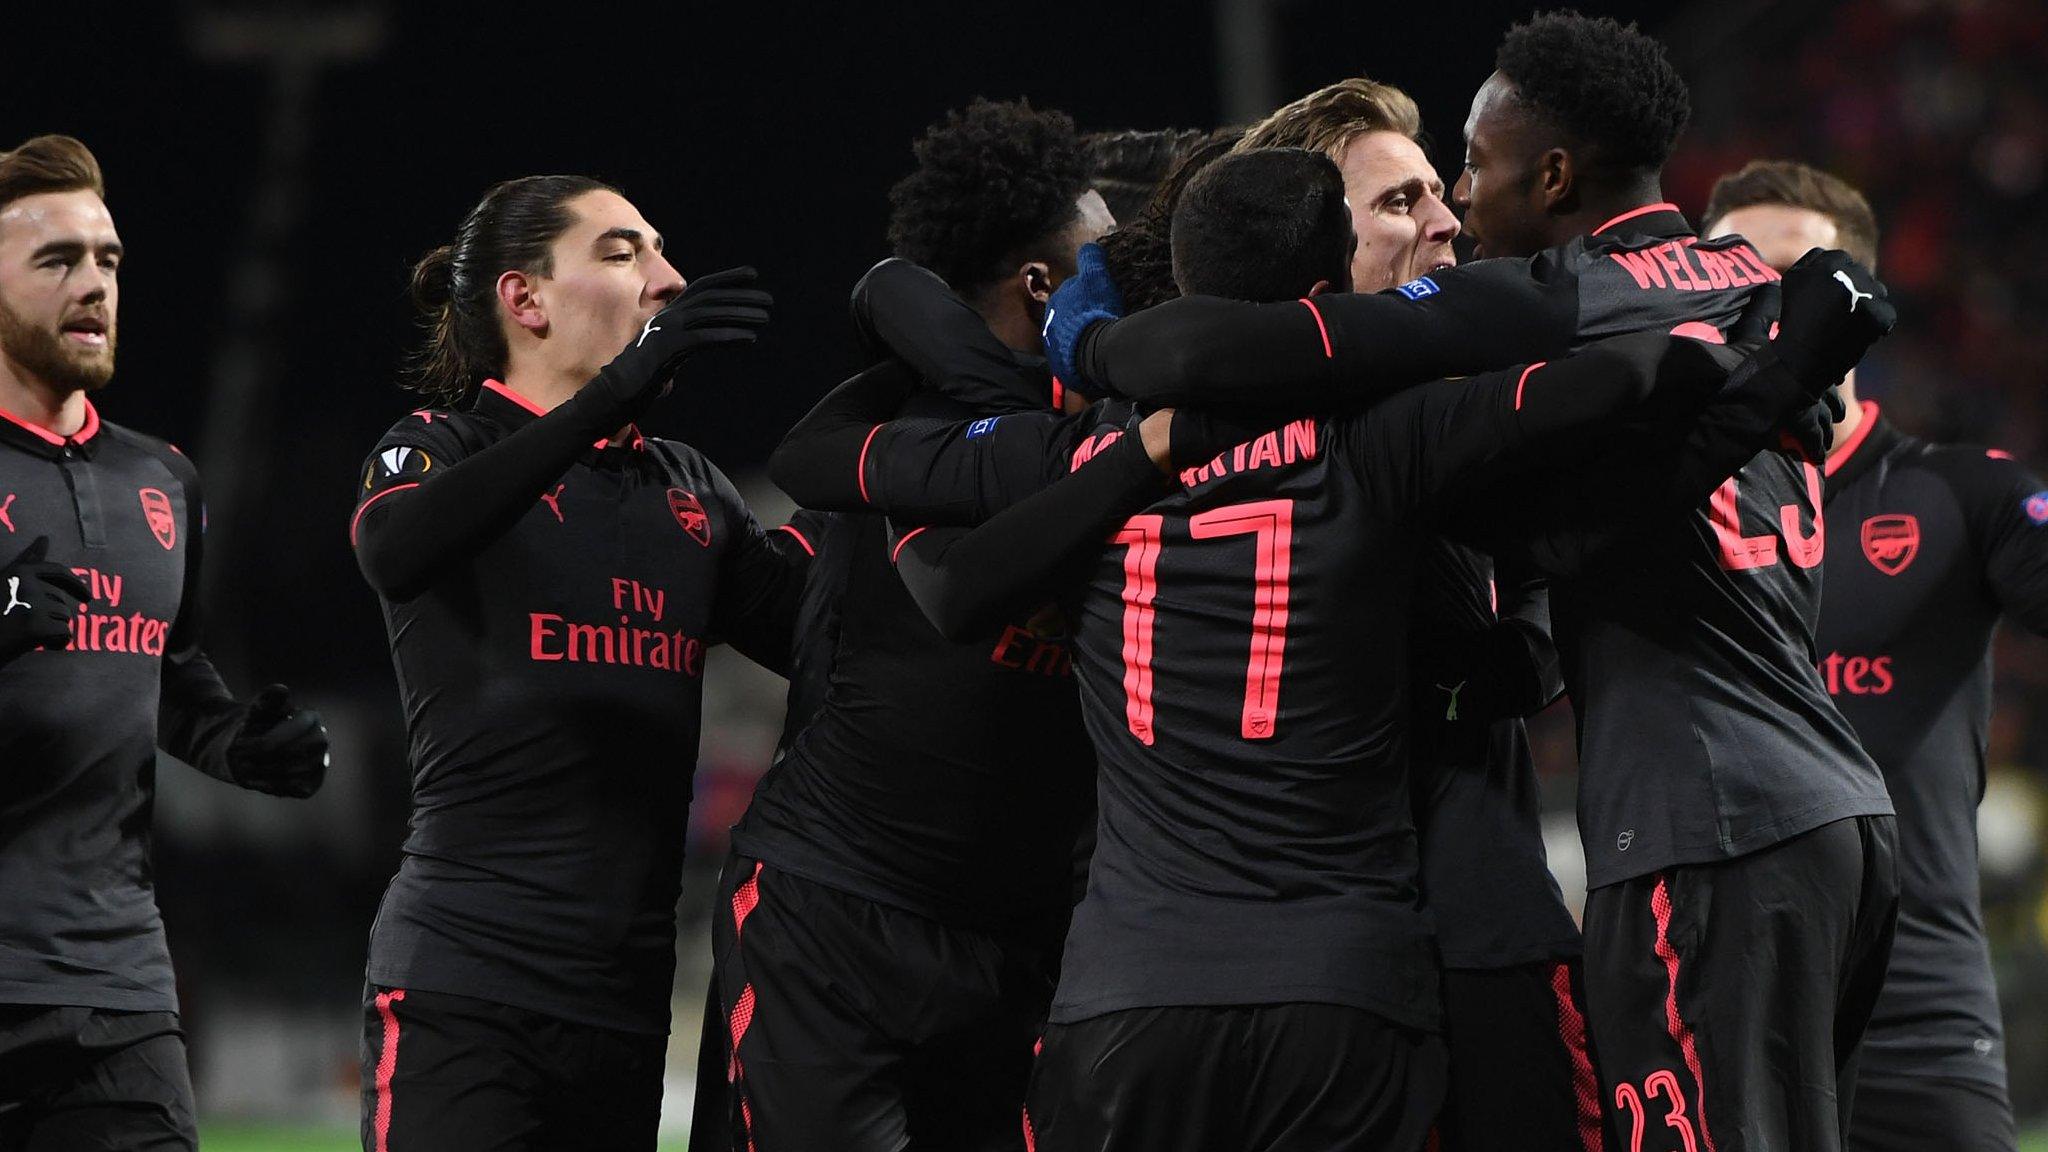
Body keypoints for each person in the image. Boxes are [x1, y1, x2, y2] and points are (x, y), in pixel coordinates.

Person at [779, 144, 1848, 1150]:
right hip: (1342, 988)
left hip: (1126, 995)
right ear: (1333, 282)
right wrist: (1781, 353)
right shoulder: (1387, 438)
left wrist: (1083, 415)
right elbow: (1628, 379)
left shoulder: (1081, 448)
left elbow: (827, 462)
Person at [1046, 14, 1900, 1151]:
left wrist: (1086, 320)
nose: (1452, 205)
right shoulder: (1732, 284)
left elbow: (1223, 360)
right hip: (1787, 804)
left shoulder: (1539, 326)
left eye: (1462, 170)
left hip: (1687, 827)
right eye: (1402, 199)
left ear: (1550, 172)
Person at [696, 98, 1118, 1152]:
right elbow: (825, 460)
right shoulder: (923, 432)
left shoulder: (1091, 433)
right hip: (834, 923)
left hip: (1012, 940)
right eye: (1103, 260)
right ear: (1039, 285)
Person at [348, 173, 792, 1151]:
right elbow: (396, 551)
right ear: (526, 299)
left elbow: (833, 643)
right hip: (464, 993)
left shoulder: (690, 492)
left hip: (623, 1013)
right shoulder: (439, 446)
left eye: (659, 251)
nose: (668, 280)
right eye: (623, 252)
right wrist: (609, 396)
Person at [1236, 77, 1588, 1152]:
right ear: (1307, 239)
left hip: (1473, 922)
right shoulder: (1250, 424)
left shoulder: (1461, 398)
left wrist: (1525, 648)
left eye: (1439, 189)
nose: (1444, 219)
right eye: (1398, 202)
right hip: (1328, 956)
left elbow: (1536, 558)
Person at [0, 134, 329, 1152]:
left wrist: (235, 741)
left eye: (107, 260)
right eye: (57, 261)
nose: (94, 283)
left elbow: (171, 675)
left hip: (114, 992)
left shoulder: (164, 481)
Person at [1706, 159, 2038, 1152]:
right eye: (1737, 277)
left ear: (1862, 305)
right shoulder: (1651, 508)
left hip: (1918, 1022)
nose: (1768, 304)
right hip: (1716, 1022)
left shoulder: (1959, 496)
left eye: (1797, 277)